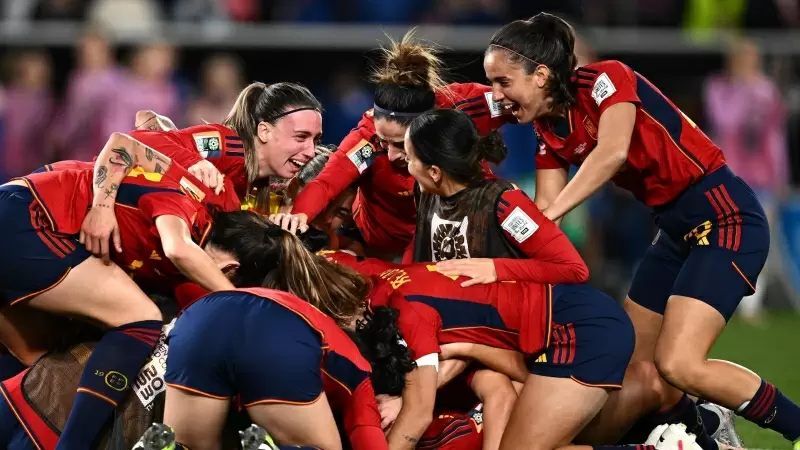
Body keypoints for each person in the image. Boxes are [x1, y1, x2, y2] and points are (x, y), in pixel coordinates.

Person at [482, 12, 800, 450]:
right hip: (674, 228)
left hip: (724, 214)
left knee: (679, 364)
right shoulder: (546, 130)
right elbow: (542, 216)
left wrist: (550, 211)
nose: (496, 97)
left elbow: (611, 152)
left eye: (502, 82)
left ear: (540, 76)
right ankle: (702, 429)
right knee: (635, 367)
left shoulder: (606, 79)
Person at [0, 143, 267, 449]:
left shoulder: (183, 249)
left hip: (23, 212)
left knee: (45, 365)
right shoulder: (191, 200)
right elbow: (125, 140)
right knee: (141, 318)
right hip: (30, 217)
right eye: (301, 137)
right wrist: (237, 302)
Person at [282, 30, 515, 257]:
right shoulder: (367, 140)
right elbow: (327, 183)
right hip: (379, 247)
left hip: (446, 239)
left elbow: (533, 102)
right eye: (385, 143)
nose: (392, 155)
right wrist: (298, 216)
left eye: (402, 144)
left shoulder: (461, 106)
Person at [158, 229, 396, 450]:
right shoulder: (360, 374)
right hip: (276, 338)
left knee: (189, 445)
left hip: (200, 316)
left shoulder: (310, 314)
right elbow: (370, 442)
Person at [404, 108, 588, 286]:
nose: (405, 164)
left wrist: (496, 268)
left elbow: (572, 268)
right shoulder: (426, 194)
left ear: (434, 172)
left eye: (409, 159)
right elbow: (417, 249)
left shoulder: (505, 204)